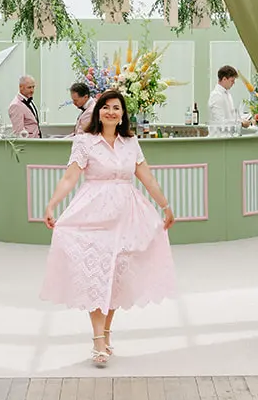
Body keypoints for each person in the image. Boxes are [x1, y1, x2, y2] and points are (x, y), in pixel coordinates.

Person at [41, 89, 176, 367]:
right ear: (98, 111)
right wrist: (52, 205)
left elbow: (146, 176)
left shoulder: (131, 142)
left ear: (123, 114)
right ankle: (98, 341)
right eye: (106, 107)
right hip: (93, 214)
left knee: (117, 276)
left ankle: (105, 333)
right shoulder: (84, 142)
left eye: (116, 107)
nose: (111, 112)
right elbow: (70, 177)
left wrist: (165, 206)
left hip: (127, 215)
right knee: (96, 273)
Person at [207, 64, 248, 131]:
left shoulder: (227, 94)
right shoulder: (216, 96)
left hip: (229, 134)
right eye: (232, 81)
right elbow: (220, 122)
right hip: (219, 136)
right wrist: (240, 123)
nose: (233, 83)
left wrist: (244, 119)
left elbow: (232, 117)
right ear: (224, 79)